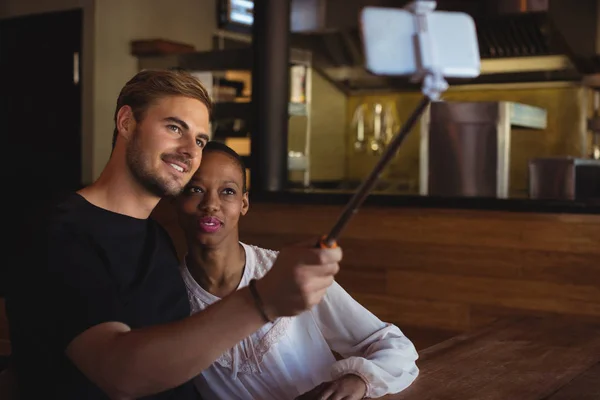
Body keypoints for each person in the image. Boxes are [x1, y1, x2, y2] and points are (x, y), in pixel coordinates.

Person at [4, 69, 342, 400]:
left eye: (199, 139)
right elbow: (120, 374)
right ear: (126, 122)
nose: (190, 151)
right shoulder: (57, 233)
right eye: (174, 128)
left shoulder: (157, 238)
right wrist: (262, 300)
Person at [175, 141, 420, 400]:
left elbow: (393, 345)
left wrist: (357, 380)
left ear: (244, 203)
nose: (211, 204)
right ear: (175, 197)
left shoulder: (290, 274)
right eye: (195, 189)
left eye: (227, 191)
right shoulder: (169, 297)